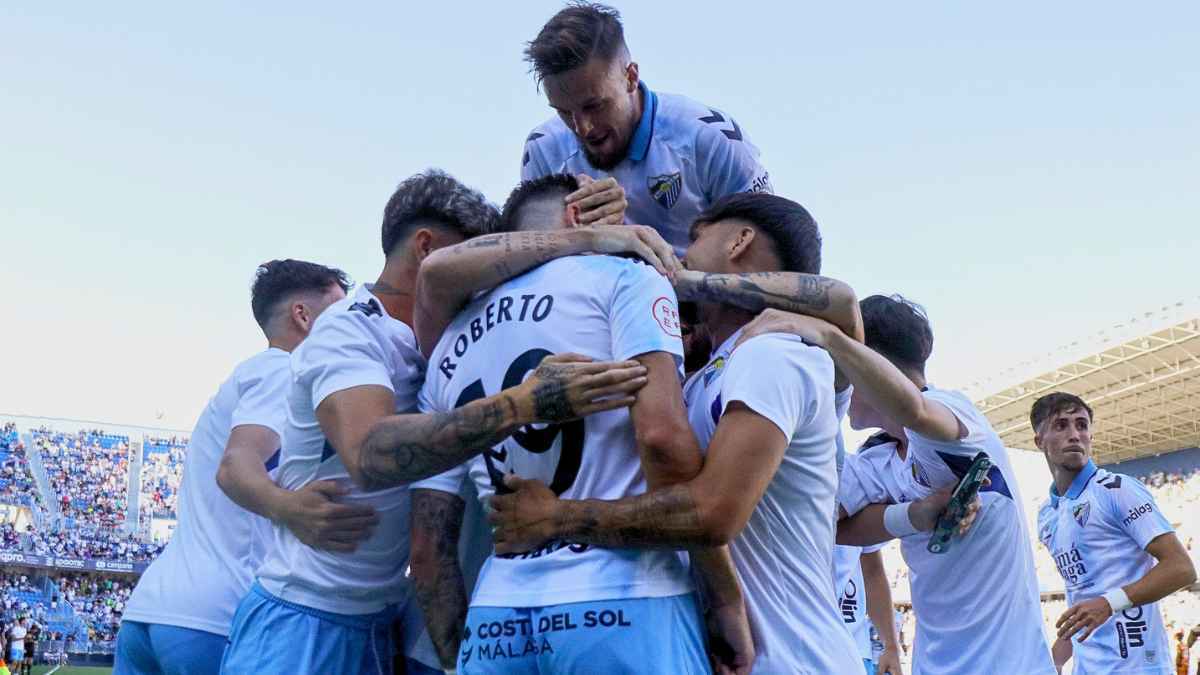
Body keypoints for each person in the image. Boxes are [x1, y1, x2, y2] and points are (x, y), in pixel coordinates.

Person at [219, 170, 651, 675]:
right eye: (477, 253)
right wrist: (523, 404)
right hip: (304, 618)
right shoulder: (348, 330)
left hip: (378, 619)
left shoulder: (438, 341)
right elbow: (369, 455)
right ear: (427, 248)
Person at [489, 192, 871, 673]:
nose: (680, 249)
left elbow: (710, 513)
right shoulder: (711, 368)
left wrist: (556, 517)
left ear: (740, 240)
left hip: (794, 661)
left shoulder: (777, 352)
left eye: (695, 236)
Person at [409, 174, 748, 673]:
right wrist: (724, 599)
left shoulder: (448, 346)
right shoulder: (624, 279)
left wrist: (460, 662)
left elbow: (427, 545)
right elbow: (661, 443)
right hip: (627, 602)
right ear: (576, 217)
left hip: (495, 618)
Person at [749, 295, 1054, 674]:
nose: (835, 382)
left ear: (867, 364)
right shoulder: (876, 459)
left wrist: (831, 337)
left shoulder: (951, 414)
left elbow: (914, 411)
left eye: (840, 367)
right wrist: (912, 515)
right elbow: (824, 524)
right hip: (935, 665)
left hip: (1010, 664)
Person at [114, 259, 356, 675]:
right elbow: (235, 466)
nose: (354, 324)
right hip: (213, 613)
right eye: (340, 309)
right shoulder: (285, 370)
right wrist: (292, 509)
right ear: (303, 315)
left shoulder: (248, 374)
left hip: (151, 609)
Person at [521, 2, 772, 255]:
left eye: (594, 106)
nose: (582, 128)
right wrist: (568, 221)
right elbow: (526, 260)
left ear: (631, 77)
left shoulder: (710, 138)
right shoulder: (543, 149)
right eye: (563, 112)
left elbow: (769, 252)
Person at [1032, 392, 1196, 674]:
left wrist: (1110, 604)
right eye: (1061, 425)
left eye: (1082, 425)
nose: (1074, 435)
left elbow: (1181, 568)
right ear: (1039, 441)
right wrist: (1058, 657)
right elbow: (1083, 593)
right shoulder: (1047, 515)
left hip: (1137, 666)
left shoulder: (1117, 490)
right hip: (1086, 667)